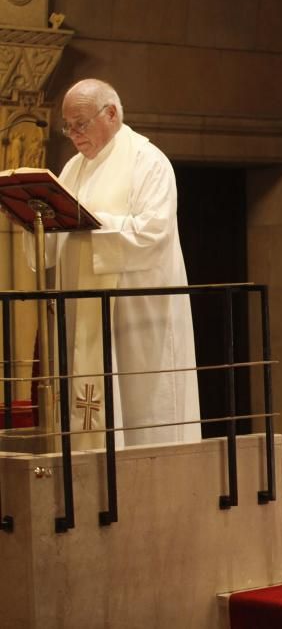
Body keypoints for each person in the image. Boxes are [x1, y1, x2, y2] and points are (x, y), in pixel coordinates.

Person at [31, 78, 200, 449]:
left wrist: (90, 221)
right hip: (85, 312)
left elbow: (152, 234)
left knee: (141, 410)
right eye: (67, 126)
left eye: (80, 123)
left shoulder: (148, 162)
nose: (73, 134)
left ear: (110, 113)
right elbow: (56, 240)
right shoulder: (73, 168)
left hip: (135, 316)